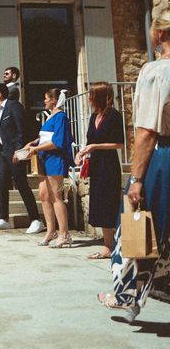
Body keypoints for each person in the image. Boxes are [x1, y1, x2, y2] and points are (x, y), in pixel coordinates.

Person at [98, 9, 170, 323]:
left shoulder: (156, 72)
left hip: (163, 157)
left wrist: (136, 178)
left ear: (161, 35)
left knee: (137, 225)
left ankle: (125, 296)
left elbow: (146, 132)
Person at [75, 82, 124, 259]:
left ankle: (111, 246)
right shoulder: (93, 117)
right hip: (96, 164)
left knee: (109, 202)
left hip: (109, 164)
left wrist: (96, 146)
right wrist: (82, 153)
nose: (89, 98)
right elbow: (90, 142)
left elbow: (119, 144)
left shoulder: (114, 116)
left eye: (92, 95)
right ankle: (108, 246)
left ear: (101, 96)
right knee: (100, 203)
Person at [0, 83, 43, 233]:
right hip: (3, 154)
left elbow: (21, 130)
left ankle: (36, 219)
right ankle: (3, 218)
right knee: (2, 184)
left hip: (14, 154)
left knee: (21, 184)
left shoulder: (14, 106)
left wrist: (18, 151)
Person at [24, 88, 74, 248]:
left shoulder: (61, 117)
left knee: (56, 196)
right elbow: (46, 137)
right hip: (44, 158)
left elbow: (57, 141)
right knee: (44, 195)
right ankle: (51, 231)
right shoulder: (50, 116)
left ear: (54, 100)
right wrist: (34, 143)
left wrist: (36, 149)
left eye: (46, 98)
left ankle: (64, 233)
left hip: (55, 159)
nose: (44, 101)